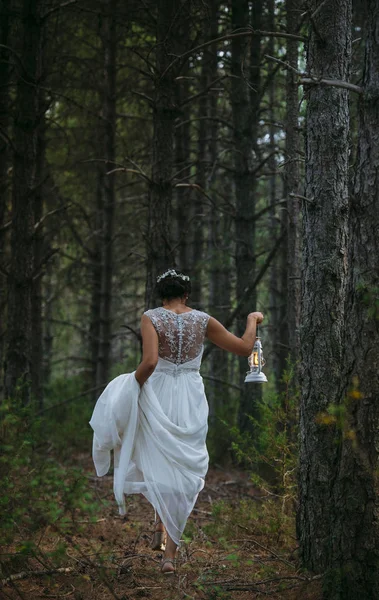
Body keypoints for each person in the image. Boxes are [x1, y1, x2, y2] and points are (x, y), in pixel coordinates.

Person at [90, 269, 264, 575]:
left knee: (158, 460)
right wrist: (253, 320)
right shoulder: (202, 319)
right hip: (190, 397)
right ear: (187, 295)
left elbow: (151, 362)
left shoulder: (151, 317)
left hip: (157, 393)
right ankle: (169, 555)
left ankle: (160, 525)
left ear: (162, 294)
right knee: (184, 469)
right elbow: (244, 348)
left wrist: (131, 388)